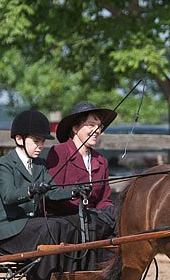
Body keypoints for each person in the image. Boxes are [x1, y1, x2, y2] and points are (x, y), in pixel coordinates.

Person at [0, 109, 80, 280]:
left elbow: (53, 191)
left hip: (31, 227)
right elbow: (8, 196)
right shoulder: (5, 163)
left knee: (66, 223)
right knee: (50, 226)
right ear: (19, 139)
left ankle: (62, 278)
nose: (40, 147)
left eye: (43, 142)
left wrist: (73, 191)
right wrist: (31, 189)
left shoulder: (40, 165)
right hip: (11, 229)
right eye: (36, 142)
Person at [46, 102, 118, 243]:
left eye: (99, 126)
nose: (97, 130)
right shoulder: (60, 152)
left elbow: (104, 200)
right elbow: (53, 196)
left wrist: (112, 212)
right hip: (64, 222)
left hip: (93, 221)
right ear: (75, 127)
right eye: (91, 125)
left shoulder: (101, 161)